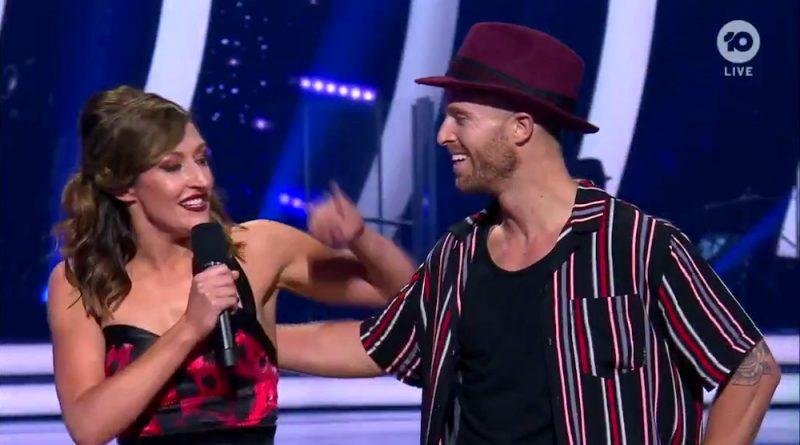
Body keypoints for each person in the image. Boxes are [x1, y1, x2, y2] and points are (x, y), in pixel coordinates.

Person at [277, 22, 780, 444]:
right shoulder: (458, 252)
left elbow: (751, 369)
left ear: (520, 128)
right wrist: (254, 335)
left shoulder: (638, 245)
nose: (443, 135)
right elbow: (377, 345)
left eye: (460, 118)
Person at [47, 85, 415, 445]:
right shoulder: (82, 281)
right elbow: (88, 428)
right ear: (124, 187)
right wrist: (190, 328)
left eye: (202, 159)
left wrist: (360, 239)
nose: (200, 180)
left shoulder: (256, 249)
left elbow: (406, 292)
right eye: (173, 167)